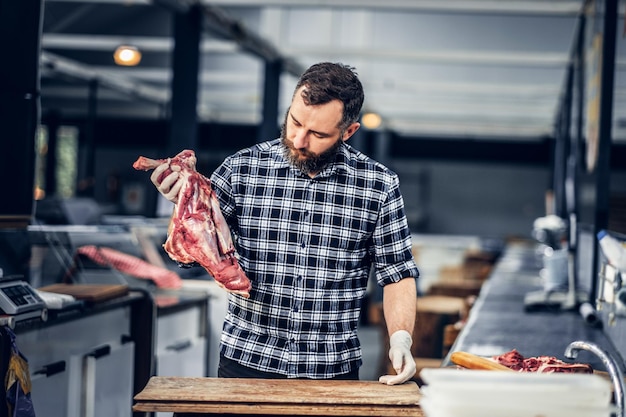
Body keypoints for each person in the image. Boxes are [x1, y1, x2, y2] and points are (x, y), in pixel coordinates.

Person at [151, 62, 419, 385]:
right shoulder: (241, 169)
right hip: (246, 364)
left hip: (331, 373)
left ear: (348, 132)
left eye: (317, 133)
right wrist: (181, 204)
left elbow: (397, 274)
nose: (299, 139)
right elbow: (189, 253)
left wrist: (401, 338)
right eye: (295, 121)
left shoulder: (379, 185)